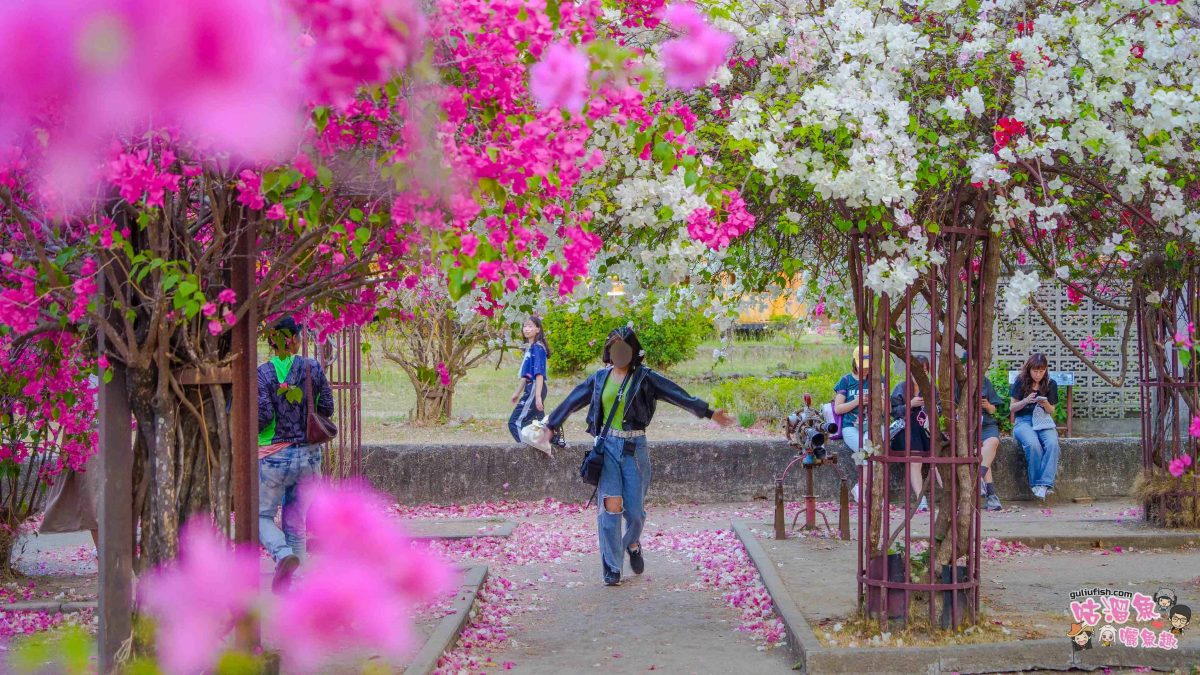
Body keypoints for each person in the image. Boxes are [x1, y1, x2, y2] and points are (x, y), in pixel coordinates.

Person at [536, 326, 733, 586]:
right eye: (613, 349)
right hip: (606, 449)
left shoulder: (645, 378)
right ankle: (612, 567)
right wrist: (551, 426)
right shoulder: (598, 379)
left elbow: (678, 395)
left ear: (632, 352)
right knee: (611, 507)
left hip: (634, 449)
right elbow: (573, 400)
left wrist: (708, 413)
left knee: (636, 513)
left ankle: (632, 544)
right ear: (608, 352)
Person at [257, 316, 334, 592]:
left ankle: (281, 554)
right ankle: (297, 591)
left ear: (271, 342)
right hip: (309, 456)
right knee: (295, 522)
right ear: (298, 340)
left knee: (261, 517)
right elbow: (327, 406)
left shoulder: (262, 373)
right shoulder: (312, 368)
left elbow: (264, 416)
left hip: (274, 457)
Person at [39, 374, 101, 555]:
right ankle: (104, 551)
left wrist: (65, 452)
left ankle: (104, 551)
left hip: (92, 444)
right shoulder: (92, 377)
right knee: (98, 504)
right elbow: (72, 420)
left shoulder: (82, 379)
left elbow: (71, 422)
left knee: (95, 504)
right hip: (98, 443)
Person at [1009, 353, 1060, 501]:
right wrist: (1025, 401)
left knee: (1052, 443)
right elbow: (1012, 408)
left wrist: (1045, 404)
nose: (1038, 375)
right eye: (1035, 371)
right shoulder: (1020, 381)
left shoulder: (1051, 383)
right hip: (1023, 421)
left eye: (1041, 371)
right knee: (1033, 445)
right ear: (1029, 369)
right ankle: (1036, 484)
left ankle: (1044, 484)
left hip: (1044, 420)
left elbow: (1052, 411)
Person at [889, 355, 931, 512]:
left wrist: (931, 407)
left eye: (925, 371)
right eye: (917, 372)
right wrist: (910, 405)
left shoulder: (930, 389)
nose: (921, 375)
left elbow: (939, 410)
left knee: (940, 457)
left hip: (925, 430)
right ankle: (921, 499)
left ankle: (952, 497)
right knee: (915, 459)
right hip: (905, 431)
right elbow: (894, 412)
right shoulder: (901, 387)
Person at [833, 346, 870, 502]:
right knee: (867, 453)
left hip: (868, 425)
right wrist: (857, 401)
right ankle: (861, 489)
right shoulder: (846, 381)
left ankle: (860, 489)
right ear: (855, 363)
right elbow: (838, 408)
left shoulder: (875, 379)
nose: (866, 370)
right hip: (850, 427)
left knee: (869, 452)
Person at [508, 316, 550, 443]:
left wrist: (537, 396)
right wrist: (517, 393)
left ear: (538, 329)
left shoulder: (537, 348)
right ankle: (547, 444)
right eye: (525, 326)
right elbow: (526, 375)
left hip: (535, 388)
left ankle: (526, 451)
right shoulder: (530, 348)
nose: (526, 329)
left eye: (530, 326)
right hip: (533, 387)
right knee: (537, 423)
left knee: (514, 422)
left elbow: (539, 374)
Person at [976, 367, 1004, 511]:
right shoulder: (957, 383)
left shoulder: (985, 382)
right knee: (982, 454)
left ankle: (976, 479)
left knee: (992, 442)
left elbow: (994, 410)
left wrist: (987, 405)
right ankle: (991, 495)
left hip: (986, 424)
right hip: (967, 426)